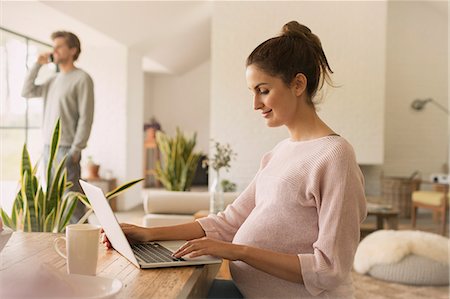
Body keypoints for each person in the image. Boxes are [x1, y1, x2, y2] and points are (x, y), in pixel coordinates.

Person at [103, 21, 366, 298]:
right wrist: (148, 234)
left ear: (298, 84)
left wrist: (236, 251)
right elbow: (229, 222)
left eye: (263, 90)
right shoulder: (279, 152)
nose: (255, 104)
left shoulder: (335, 156)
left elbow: (330, 268)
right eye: (252, 92)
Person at [22, 31, 94, 223]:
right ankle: (62, 245)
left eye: (59, 46)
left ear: (73, 50)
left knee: (72, 202)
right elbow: (26, 91)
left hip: (67, 149)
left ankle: (83, 241)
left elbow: (86, 117)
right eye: (53, 45)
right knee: (56, 203)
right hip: (48, 148)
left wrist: (77, 149)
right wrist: (37, 64)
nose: (54, 50)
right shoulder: (52, 80)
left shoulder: (82, 78)